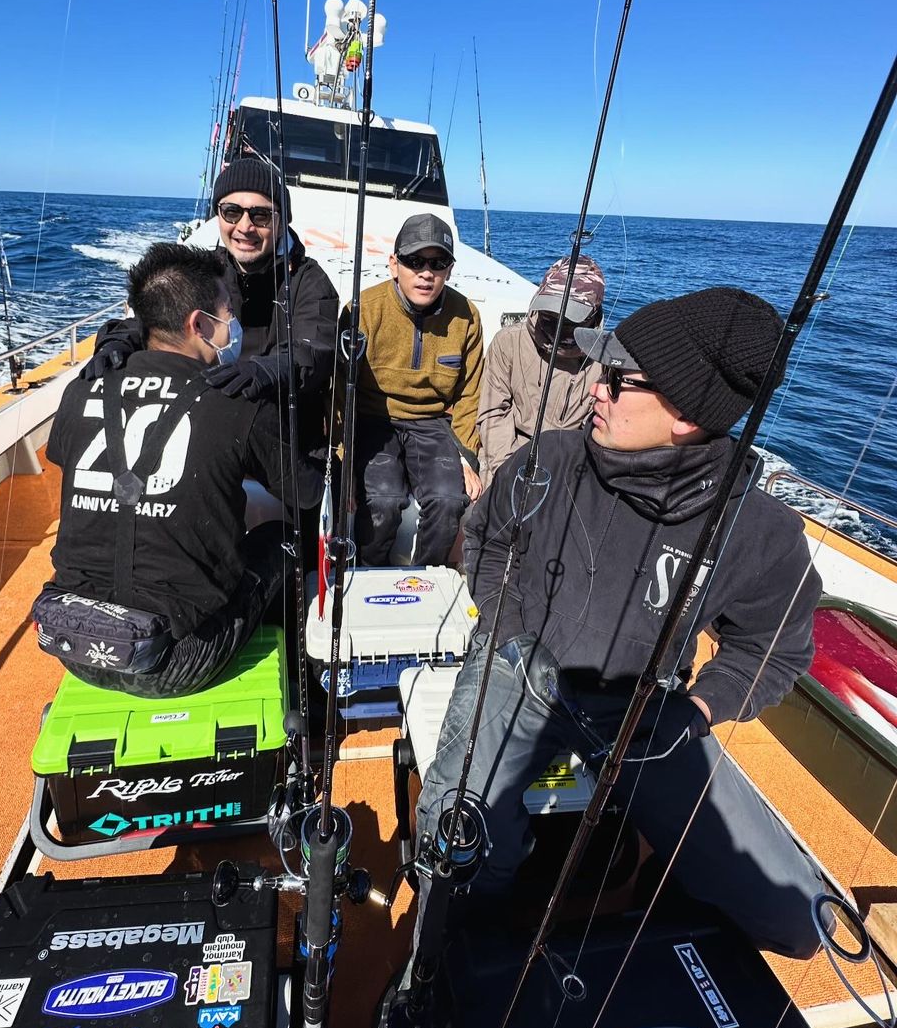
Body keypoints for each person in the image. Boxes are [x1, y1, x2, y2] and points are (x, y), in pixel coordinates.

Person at [415, 286, 828, 958]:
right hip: (520, 669)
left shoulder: (759, 530)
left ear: (688, 416)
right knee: (457, 841)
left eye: (617, 379)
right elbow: (488, 541)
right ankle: (442, 977)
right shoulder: (547, 459)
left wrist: (695, 711)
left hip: (644, 711)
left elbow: (771, 648)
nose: (595, 389)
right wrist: (513, 631)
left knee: (795, 920)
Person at [37, 242, 320, 697]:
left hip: (72, 645)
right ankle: (299, 666)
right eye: (227, 310)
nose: (233, 324)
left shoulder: (82, 390)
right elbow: (309, 493)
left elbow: (64, 456)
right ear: (200, 324)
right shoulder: (235, 403)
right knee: (285, 532)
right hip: (174, 662)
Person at [86, 159, 339, 468]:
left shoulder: (310, 281)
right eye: (232, 212)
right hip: (202, 427)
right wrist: (115, 342)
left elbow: (313, 353)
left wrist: (263, 372)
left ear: (283, 220)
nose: (245, 227)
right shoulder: (203, 272)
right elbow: (151, 319)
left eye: (261, 215)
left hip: (284, 440)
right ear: (218, 214)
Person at [339, 213, 484, 567]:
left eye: (438, 263)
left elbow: (470, 393)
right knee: (382, 500)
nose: (426, 272)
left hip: (433, 422)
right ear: (394, 264)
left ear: (449, 269)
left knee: (449, 499)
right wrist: (343, 457)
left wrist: (466, 454)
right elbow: (338, 391)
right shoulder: (361, 312)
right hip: (373, 419)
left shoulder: (467, 316)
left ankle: (423, 576)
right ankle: (368, 572)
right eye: (414, 261)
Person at [477, 255, 606, 488]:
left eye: (570, 321)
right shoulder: (508, 343)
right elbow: (493, 414)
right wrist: (507, 473)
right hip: (507, 455)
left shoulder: (604, 360)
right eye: (550, 316)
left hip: (568, 465)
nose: (557, 328)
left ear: (592, 317)